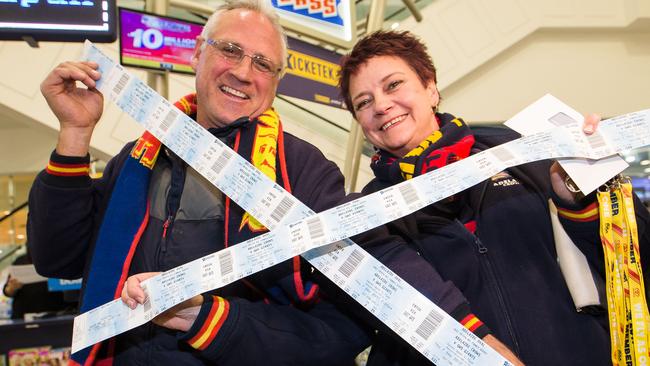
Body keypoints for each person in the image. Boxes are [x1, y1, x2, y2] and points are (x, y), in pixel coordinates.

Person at [28, 0, 369, 364]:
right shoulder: (137, 160)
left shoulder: (303, 170)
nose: (242, 72)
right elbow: (57, 259)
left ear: (276, 81)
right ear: (196, 53)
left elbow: (340, 328)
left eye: (263, 63)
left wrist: (210, 319)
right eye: (230, 49)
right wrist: (75, 133)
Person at [338, 30, 650, 365]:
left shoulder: (519, 151)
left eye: (393, 85)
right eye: (363, 102)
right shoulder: (369, 211)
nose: (381, 106)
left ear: (431, 88)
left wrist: (579, 195)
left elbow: (633, 254)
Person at [2, 252, 72, 320]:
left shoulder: (62, 259)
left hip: (59, 316)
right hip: (24, 319)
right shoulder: (21, 261)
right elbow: (7, 292)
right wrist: (12, 288)